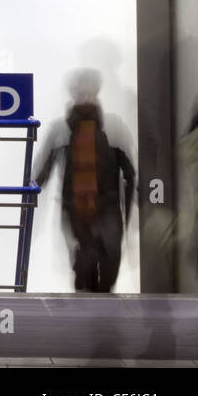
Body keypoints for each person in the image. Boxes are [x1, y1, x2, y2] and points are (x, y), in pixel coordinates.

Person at [35, 70, 136, 293]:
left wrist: (133, 206)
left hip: (107, 204)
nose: (87, 95)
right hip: (75, 207)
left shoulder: (114, 126)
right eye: (82, 90)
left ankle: (98, 306)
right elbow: (44, 169)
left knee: (110, 261)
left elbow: (129, 170)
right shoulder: (60, 129)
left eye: (91, 90)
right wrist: (31, 193)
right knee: (85, 263)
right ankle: (92, 307)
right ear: (74, 93)